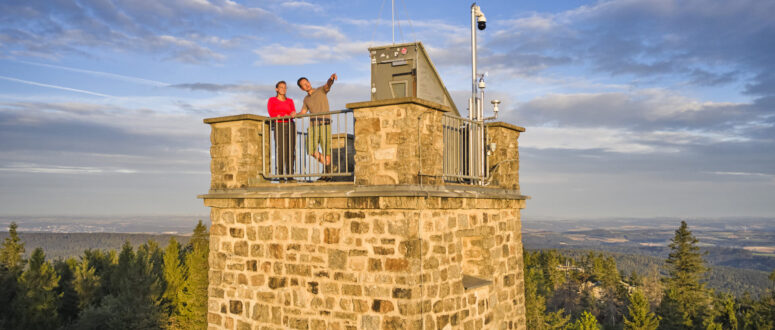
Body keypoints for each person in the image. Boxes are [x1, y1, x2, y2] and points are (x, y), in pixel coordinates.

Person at [298, 73, 337, 173]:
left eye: (307, 82)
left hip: (325, 123)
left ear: (309, 82)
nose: (307, 85)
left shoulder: (320, 90)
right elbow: (303, 112)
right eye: (304, 84)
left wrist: (331, 79)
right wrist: (294, 115)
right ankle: (330, 167)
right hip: (313, 126)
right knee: (311, 150)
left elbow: (328, 85)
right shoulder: (306, 99)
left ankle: (327, 173)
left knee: (326, 150)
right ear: (302, 88)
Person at [267, 80, 296, 180]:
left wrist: (292, 114)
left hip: (290, 125)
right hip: (279, 125)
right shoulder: (272, 100)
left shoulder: (290, 101)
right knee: (281, 150)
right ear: (277, 89)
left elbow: (293, 112)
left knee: (291, 150)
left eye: (285, 87)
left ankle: (290, 175)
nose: (283, 89)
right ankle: (280, 175)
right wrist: (278, 116)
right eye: (281, 87)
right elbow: (271, 113)